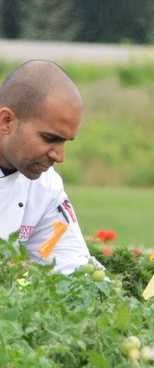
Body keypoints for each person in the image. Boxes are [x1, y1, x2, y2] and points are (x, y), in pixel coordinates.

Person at [0, 60, 98, 273]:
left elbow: (70, 264)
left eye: (64, 142)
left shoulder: (46, 187)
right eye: (50, 138)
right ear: (6, 121)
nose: (59, 156)